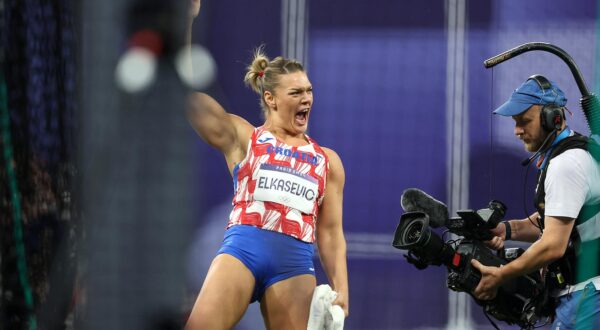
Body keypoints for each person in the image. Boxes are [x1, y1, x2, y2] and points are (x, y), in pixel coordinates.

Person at [184, 1, 349, 329]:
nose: (307, 99)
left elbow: (330, 232)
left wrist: (342, 289)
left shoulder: (327, 161)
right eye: (296, 92)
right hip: (242, 250)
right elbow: (188, 96)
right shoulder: (244, 137)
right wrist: (186, 24)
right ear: (271, 98)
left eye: (309, 91)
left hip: (294, 266)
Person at [470, 75, 600, 329]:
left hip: (588, 296)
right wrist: (507, 229)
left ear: (554, 119)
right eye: (515, 122)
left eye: (524, 121)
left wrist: (501, 275)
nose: (517, 130)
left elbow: (553, 245)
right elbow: (557, 220)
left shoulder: (566, 165)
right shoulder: (568, 156)